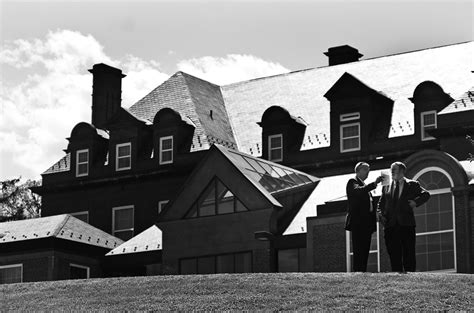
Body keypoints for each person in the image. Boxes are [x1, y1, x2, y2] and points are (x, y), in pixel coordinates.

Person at [377, 162, 430, 272]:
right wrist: (379, 212)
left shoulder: (412, 184)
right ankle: (397, 274)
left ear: (401, 171)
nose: (391, 172)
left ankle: (410, 275)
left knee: (408, 251)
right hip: (390, 225)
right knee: (393, 252)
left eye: (394, 169)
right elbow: (381, 202)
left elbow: (426, 194)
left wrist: (415, 202)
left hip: (406, 224)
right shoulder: (386, 185)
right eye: (391, 169)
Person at [345, 162, 384, 272]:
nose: (368, 172)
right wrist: (374, 184)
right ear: (358, 171)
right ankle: (358, 271)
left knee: (365, 249)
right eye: (366, 170)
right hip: (358, 223)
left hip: (366, 223)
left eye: (369, 170)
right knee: (359, 249)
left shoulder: (363, 185)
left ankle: (362, 271)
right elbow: (358, 191)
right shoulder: (352, 182)